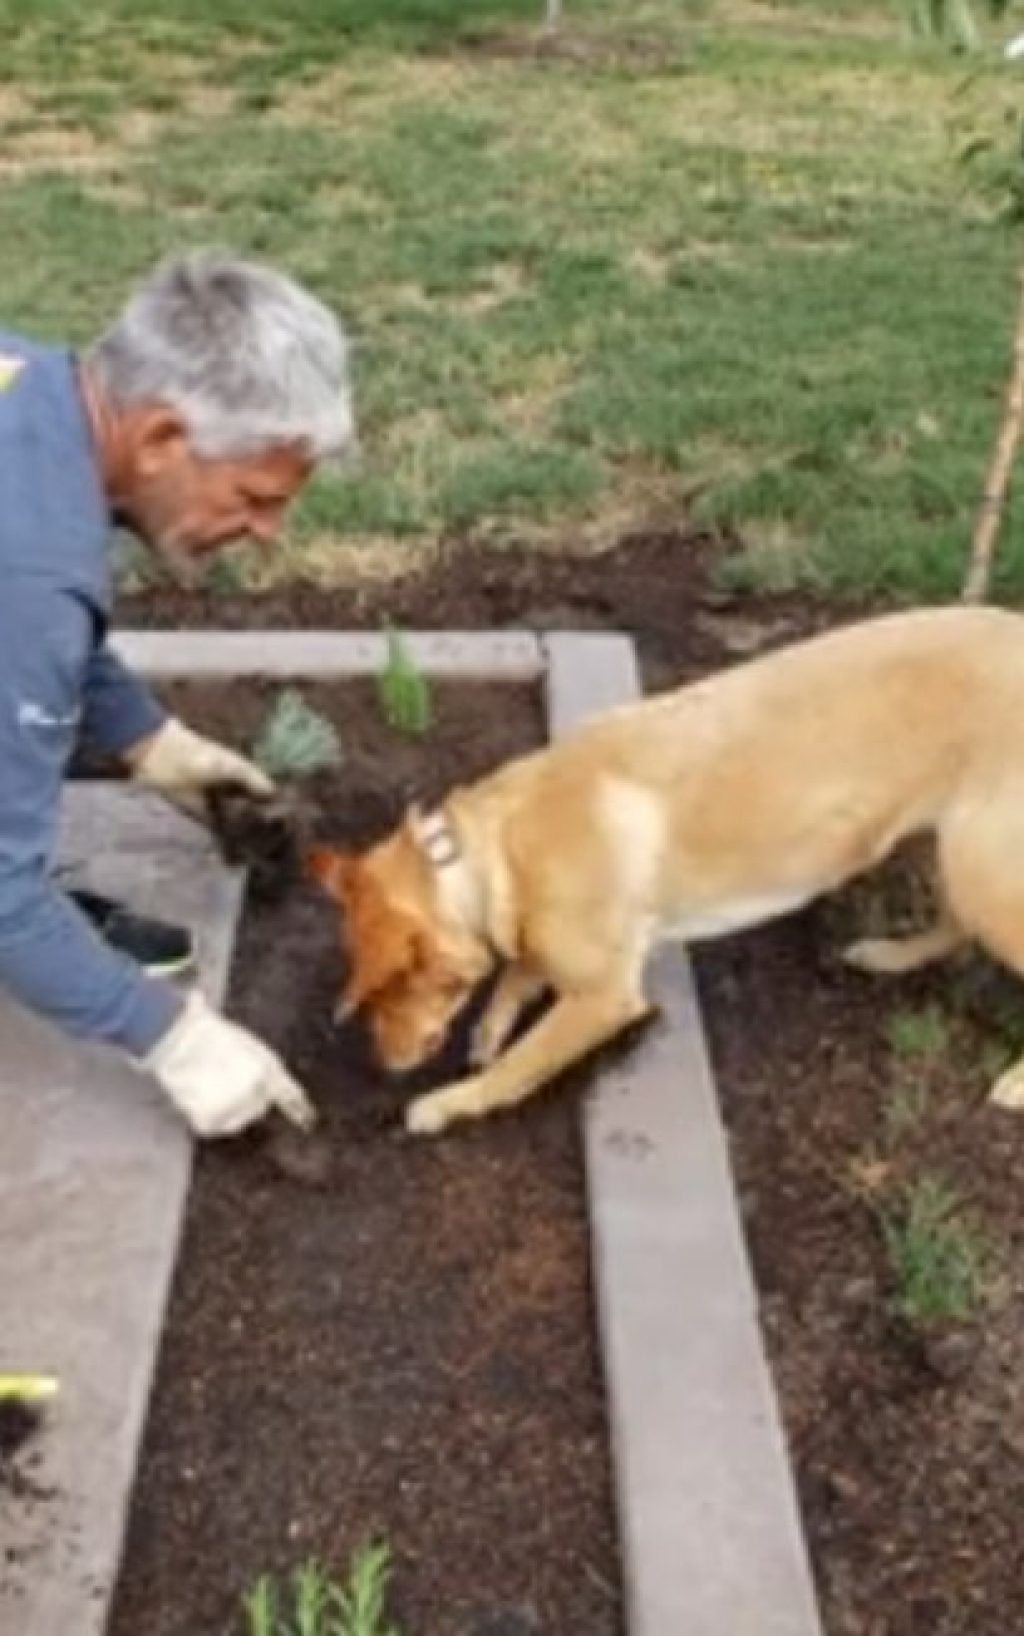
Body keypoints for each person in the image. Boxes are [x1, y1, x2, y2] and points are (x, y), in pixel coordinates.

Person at [0, 250, 355, 1138]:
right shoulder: (31, 571)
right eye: (254, 497)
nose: (269, 534)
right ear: (161, 439)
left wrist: (149, 741)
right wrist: (171, 1037)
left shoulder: (28, 384)